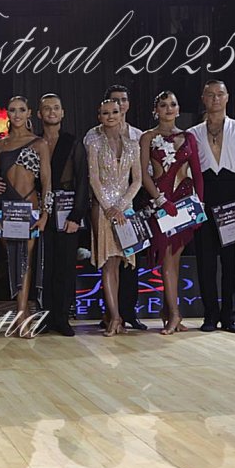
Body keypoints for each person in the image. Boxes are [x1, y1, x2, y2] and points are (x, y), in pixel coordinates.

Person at [187, 80, 235, 333]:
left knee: (233, 262)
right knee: (206, 261)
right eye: (210, 94)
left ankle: (230, 316)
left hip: (233, 197)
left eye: (220, 94)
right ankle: (210, 315)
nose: (215, 99)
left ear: (227, 97)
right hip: (205, 197)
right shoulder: (193, 133)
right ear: (203, 98)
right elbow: (188, 172)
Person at [139, 91, 204, 335]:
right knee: (167, 258)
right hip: (162, 203)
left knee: (175, 259)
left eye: (173, 104)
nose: (169, 108)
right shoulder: (147, 137)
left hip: (185, 204)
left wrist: (200, 206)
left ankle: (168, 313)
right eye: (163, 105)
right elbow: (143, 174)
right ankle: (175, 314)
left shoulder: (189, 137)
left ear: (178, 109)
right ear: (155, 110)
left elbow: (197, 173)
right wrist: (160, 199)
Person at [0, 96, 52, 337]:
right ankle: (20, 315)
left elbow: (47, 182)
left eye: (21, 110)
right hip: (6, 209)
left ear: (29, 113)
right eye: (13, 110)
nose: (17, 114)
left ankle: (22, 316)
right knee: (12, 262)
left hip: (30, 208)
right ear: (7, 113)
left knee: (25, 262)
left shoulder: (39, 143)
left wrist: (45, 214)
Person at [85, 84, 147, 330]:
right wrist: (109, 207)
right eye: (106, 113)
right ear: (99, 117)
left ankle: (119, 314)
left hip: (126, 210)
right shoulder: (94, 143)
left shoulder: (133, 145)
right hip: (103, 210)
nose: (111, 116)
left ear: (122, 113)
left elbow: (138, 180)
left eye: (115, 112)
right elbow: (93, 179)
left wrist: (121, 206)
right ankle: (114, 317)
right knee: (108, 263)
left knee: (122, 262)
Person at [35, 94, 90, 337]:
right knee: (44, 265)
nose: (52, 112)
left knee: (65, 266)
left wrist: (76, 216)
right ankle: (45, 317)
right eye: (47, 108)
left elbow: (82, 181)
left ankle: (62, 316)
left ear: (63, 112)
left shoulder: (72, 142)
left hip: (67, 211)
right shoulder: (34, 142)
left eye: (56, 108)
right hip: (40, 212)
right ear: (39, 113)